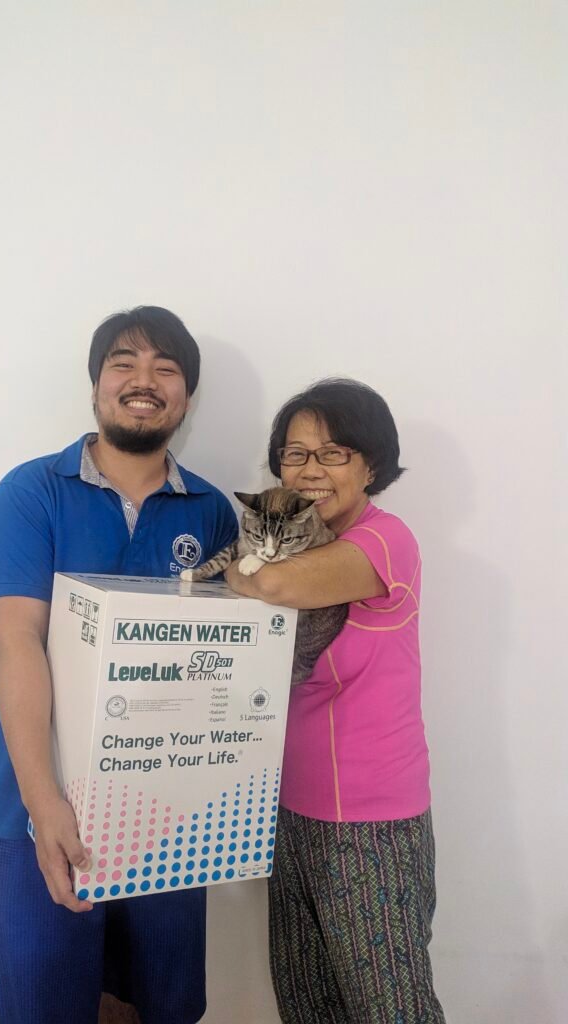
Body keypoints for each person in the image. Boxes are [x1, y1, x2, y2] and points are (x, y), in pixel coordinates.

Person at [0, 306, 238, 1024]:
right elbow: (15, 643)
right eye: (124, 363)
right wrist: (44, 802)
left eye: (166, 369)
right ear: (95, 384)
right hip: (34, 796)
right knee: (40, 1002)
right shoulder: (31, 493)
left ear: (186, 397)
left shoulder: (210, 512)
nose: (144, 381)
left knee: (158, 1001)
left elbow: (224, 663)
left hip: (166, 803)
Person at [225, 378, 445, 1024]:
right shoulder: (295, 540)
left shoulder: (385, 540)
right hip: (287, 810)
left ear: (370, 465)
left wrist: (242, 568)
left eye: (333, 453)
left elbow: (272, 583)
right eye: (295, 455)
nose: (311, 470)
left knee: (391, 1010)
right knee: (307, 1005)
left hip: (371, 825)